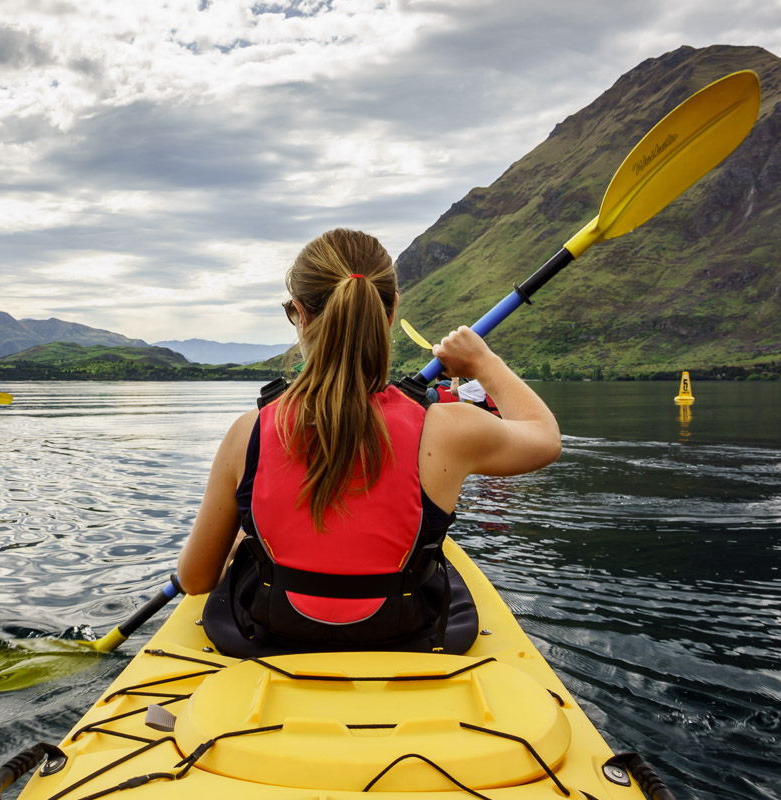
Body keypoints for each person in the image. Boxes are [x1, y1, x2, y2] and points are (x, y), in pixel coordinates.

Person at [177, 228, 561, 656]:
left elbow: (196, 579)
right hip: (407, 637)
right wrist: (483, 362)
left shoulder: (248, 432)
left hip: (273, 638)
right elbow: (545, 438)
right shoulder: (450, 428)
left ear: (299, 314)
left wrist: (246, 536)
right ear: (392, 308)